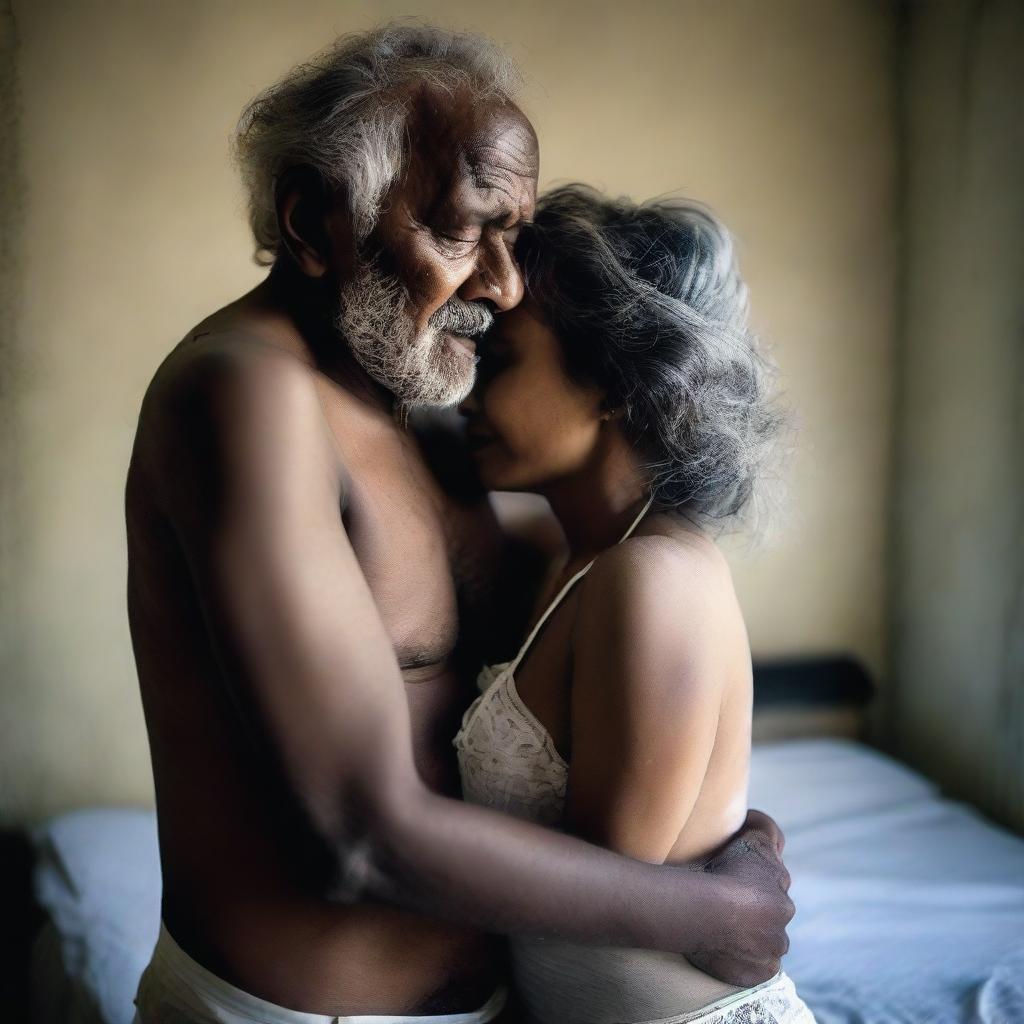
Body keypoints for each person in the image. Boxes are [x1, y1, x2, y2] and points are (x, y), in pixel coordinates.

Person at [126, 24, 793, 1024]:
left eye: (512, 235)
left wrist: (730, 840)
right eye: (460, 229)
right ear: (315, 223)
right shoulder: (244, 394)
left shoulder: (433, 401)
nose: (504, 284)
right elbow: (354, 835)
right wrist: (703, 911)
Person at [455, 185, 814, 1023]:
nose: (465, 396)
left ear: (615, 382)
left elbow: (594, 893)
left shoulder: (651, 579)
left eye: (498, 362)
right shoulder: (568, 557)